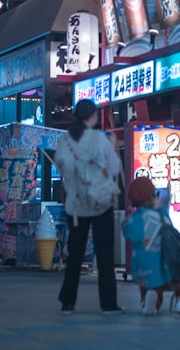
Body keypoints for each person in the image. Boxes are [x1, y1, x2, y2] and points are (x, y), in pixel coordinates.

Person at [54, 99, 124, 315]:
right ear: (93, 117)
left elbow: (61, 166)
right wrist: (111, 147)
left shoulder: (65, 140)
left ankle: (68, 302)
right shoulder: (99, 139)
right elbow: (113, 168)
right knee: (104, 254)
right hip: (100, 203)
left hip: (75, 205)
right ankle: (108, 303)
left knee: (74, 254)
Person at [122, 177, 180, 316]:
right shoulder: (163, 214)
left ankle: (146, 301)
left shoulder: (134, 219)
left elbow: (128, 233)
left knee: (149, 287)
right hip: (166, 272)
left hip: (143, 273)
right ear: (153, 196)